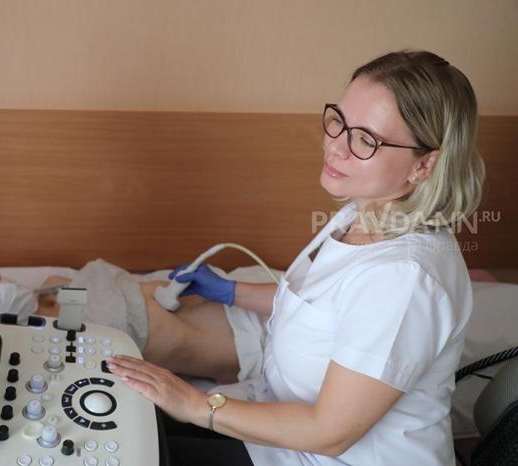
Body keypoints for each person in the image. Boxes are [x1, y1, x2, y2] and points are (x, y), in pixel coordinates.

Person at [106, 50, 486, 465]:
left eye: (365, 140)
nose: (335, 147)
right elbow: (327, 309)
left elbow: (330, 433)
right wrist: (231, 291)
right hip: (280, 428)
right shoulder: (360, 212)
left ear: (424, 164)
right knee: (123, 422)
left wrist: (194, 404)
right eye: (339, 121)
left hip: (327, 456)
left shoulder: (404, 278)